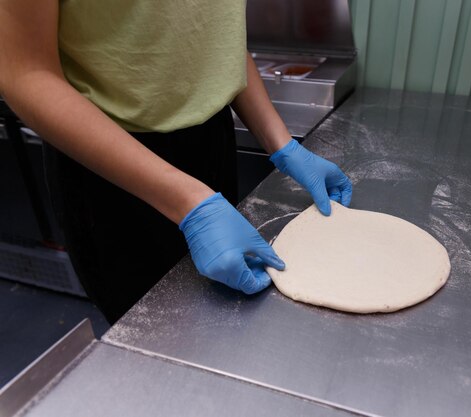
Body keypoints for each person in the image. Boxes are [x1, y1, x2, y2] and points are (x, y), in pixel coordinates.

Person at [0, 1, 352, 323]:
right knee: (157, 338)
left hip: (210, 142)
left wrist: (281, 143)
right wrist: (191, 205)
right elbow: (25, 73)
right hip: (111, 165)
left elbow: (214, 38)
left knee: (225, 318)